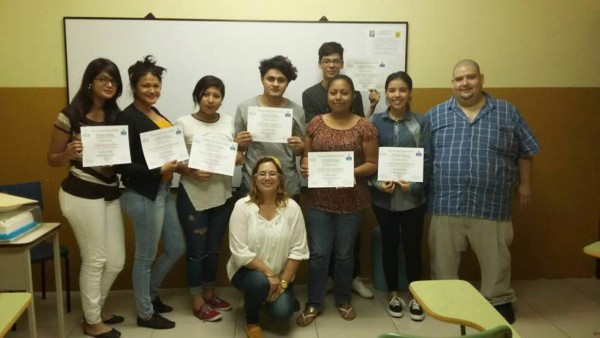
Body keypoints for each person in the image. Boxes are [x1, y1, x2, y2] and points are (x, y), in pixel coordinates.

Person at [425, 59, 540, 324]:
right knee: (442, 259)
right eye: (459, 79)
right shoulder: (436, 114)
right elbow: (425, 156)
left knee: (496, 259)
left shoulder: (507, 112)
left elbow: (526, 150)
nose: (465, 83)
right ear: (452, 83)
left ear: (481, 79)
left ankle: (498, 301)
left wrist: (525, 184)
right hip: (445, 202)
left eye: (470, 77)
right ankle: (446, 301)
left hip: (492, 202)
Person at [48, 58, 125, 338]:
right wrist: (68, 153)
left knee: (115, 260)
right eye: (104, 79)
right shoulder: (69, 115)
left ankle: (96, 309)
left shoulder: (118, 117)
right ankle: (92, 321)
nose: (109, 85)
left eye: (114, 81)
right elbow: (52, 159)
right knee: (95, 258)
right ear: (90, 81)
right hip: (80, 193)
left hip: (109, 192)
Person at [297, 74, 378, 326]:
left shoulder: (365, 126)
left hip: (352, 201)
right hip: (317, 201)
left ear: (352, 96)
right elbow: (305, 158)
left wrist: (346, 173)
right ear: (327, 96)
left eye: (344, 92)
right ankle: (314, 302)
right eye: (334, 92)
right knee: (319, 254)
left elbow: (372, 164)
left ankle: (343, 299)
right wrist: (305, 166)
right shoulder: (315, 124)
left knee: (344, 254)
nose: (338, 97)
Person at [114, 55, 185, 330]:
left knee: (176, 246)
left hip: (164, 190)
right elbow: (121, 165)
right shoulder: (126, 117)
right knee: (145, 256)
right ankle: (145, 313)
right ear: (134, 86)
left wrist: (177, 161)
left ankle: (150, 295)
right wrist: (158, 170)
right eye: (146, 86)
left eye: (156, 85)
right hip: (142, 194)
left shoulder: (157, 114)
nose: (152, 91)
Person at [175, 75, 243, 321]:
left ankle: (209, 292)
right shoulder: (182, 123)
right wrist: (189, 169)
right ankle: (196, 300)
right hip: (193, 196)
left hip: (222, 194)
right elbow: (173, 161)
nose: (211, 100)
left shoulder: (227, 122)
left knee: (213, 250)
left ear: (222, 99)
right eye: (206, 94)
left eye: (216, 95)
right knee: (196, 252)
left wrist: (238, 157)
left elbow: (233, 154)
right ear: (198, 96)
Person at [227, 157, 309, 338]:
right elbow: (239, 252)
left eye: (272, 173)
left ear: (280, 178)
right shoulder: (242, 206)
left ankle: (277, 294)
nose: (267, 178)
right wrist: (269, 274)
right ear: (254, 178)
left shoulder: (292, 207)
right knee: (258, 282)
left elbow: (298, 250)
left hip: (280, 274)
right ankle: (252, 319)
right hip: (246, 272)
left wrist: (282, 283)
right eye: (262, 174)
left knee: (283, 313)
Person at [369, 71, 427, 321]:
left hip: (413, 199)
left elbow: (427, 159)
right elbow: (368, 160)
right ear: (386, 93)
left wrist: (413, 186)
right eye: (392, 90)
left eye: (402, 90)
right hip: (383, 199)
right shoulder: (374, 122)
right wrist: (377, 183)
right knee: (389, 246)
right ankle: (394, 293)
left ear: (410, 93)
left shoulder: (421, 122)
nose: (397, 95)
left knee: (413, 248)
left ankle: (416, 297)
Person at [235, 55, 305, 200]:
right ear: (262, 79)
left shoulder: (297, 111)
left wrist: (299, 146)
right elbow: (239, 150)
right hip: (252, 182)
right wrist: (239, 144)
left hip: (286, 183)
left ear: (287, 83)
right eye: (270, 79)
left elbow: (300, 152)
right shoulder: (245, 107)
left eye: (281, 80)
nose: (275, 84)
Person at [302, 41, 381, 122]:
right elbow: (311, 129)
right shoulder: (309, 95)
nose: (331, 65)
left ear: (342, 64)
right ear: (319, 64)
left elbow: (360, 126)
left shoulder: (354, 93)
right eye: (326, 61)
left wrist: (372, 107)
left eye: (336, 61)